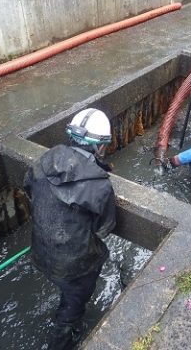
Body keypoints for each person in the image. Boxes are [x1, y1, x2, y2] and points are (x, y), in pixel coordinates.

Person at [23, 108, 116, 350]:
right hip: (75, 267)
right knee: (73, 304)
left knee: (64, 287)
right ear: (100, 146)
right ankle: (61, 338)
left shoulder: (42, 161)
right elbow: (103, 227)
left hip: (40, 253)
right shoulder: (100, 185)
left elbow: (28, 188)